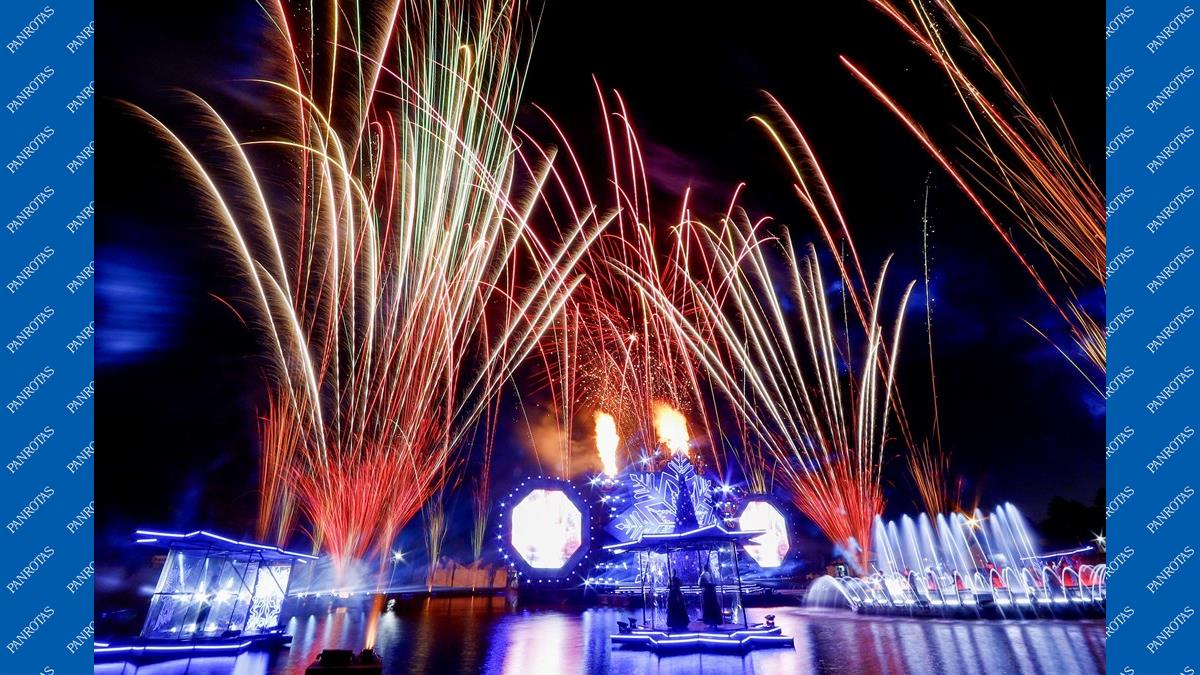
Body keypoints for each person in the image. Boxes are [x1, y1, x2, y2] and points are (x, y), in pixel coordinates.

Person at [699, 563, 722, 628]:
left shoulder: (704, 575)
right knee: (713, 607)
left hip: (708, 593)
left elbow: (700, 584)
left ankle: (712, 623)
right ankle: (714, 623)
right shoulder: (709, 574)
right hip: (711, 592)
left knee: (709, 608)